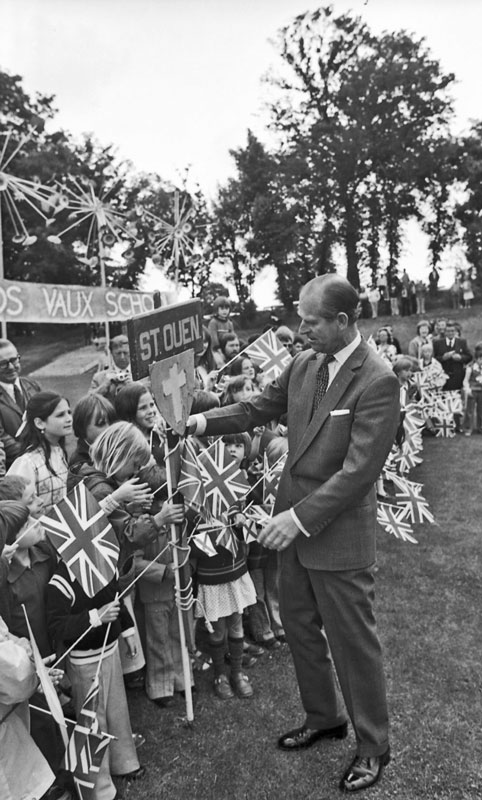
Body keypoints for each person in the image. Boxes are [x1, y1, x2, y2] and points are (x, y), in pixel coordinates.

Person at [187, 274, 400, 793]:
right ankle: (324, 717)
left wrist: (298, 518)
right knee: (301, 628)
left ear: (342, 321)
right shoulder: (305, 362)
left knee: (353, 644)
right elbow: (256, 407)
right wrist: (199, 423)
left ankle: (374, 746)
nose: (300, 330)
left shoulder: (378, 379)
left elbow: (358, 472)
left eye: (310, 322)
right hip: (292, 526)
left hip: (333, 533)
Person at [7, 392, 72, 513]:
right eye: (60, 415)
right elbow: (13, 509)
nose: (69, 419)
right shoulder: (28, 463)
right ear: (39, 423)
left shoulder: (59, 452)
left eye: (69, 412)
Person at [0, 338, 41, 470]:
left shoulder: (33, 386)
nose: (11, 367)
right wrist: (32, 456)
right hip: (12, 469)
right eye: (3, 364)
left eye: (14, 360)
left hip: (42, 462)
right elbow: (3, 439)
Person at [433, 320, 472, 432]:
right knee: (444, 400)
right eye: (448, 331)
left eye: (452, 331)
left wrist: (461, 358)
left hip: (457, 377)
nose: (450, 333)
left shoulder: (462, 342)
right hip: (443, 377)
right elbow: (434, 359)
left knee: (457, 401)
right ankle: (446, 425)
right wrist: (443, 358)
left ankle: (457, 425)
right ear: (444, 332)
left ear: (455, 332)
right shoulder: (438, 343)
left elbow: (469, 356)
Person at [89, 334, 132, 402]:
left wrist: (136, 386)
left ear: (131, 352)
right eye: (118, 353)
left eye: (125, 353)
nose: (122, 357)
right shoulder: (99, 378)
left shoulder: (142, 376)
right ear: (111, 353)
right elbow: (88, 402)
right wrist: (104, 386)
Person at [462, 343, 482, 435]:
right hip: (472, 391)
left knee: (481, 410)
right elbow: (466, 380)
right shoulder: (470, 367)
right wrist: (467, 389)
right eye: (480, 359)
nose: (481, 361)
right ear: (476, 358)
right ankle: (467, 428)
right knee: (469, 410)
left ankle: (480, 427)